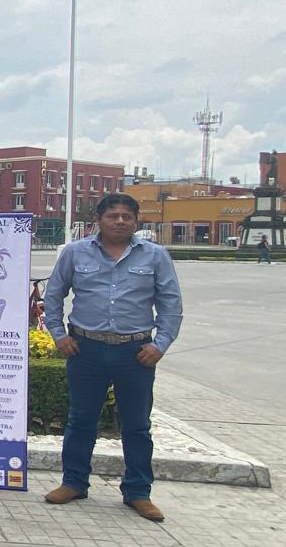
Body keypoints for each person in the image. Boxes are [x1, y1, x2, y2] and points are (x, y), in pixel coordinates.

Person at [43, 193, 184, 522]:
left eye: (126, 216)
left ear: (136, 221)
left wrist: (160, 344)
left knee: (137, 425)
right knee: (81, 420)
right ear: (99, 219)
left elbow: (171, 305)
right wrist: (59, 335)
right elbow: (54, 295)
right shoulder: (75, 253)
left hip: (135, 353)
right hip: (86, 349)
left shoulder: (155, 256)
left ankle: (138, 492)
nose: (120, 221)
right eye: (113, 215)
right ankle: (73, 483)